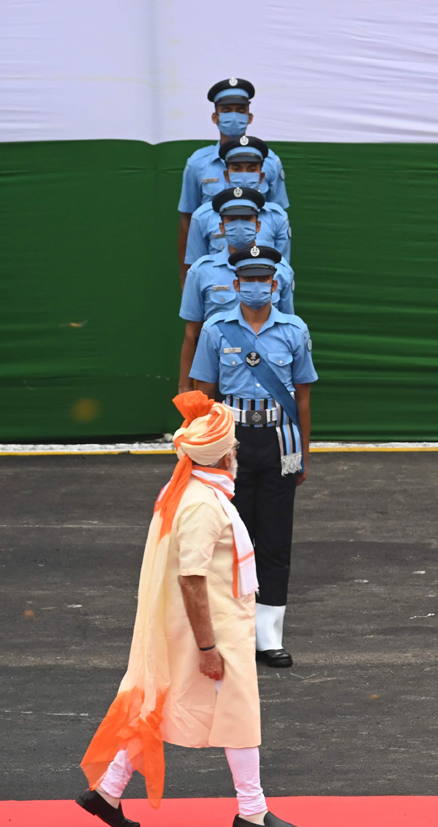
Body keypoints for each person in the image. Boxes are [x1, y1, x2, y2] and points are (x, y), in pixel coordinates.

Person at [78, 393, 306, 827]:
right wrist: (208, 648)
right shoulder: (203, 503)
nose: (238, 453)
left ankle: (107, 791)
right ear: (221, 455)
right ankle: (252, 811)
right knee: (238, 712)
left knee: (162, 702)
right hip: (214, 630)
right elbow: (192, 580)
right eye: (233, 448)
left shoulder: (193, 492)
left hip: (204, 626)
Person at [190, 248, 317, 668]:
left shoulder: (295, 330)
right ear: (238, 285)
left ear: (275, 285)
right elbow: (204, 396)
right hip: (233, 444)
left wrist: (304, 453)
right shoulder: (216, 330)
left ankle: (269, 638)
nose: (259, 287)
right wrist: (205, 454)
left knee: (275, 540)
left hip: (279, 440)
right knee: (230, 541)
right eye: (250, 281)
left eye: (266, 280)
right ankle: (232, 632)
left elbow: (302, 397)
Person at [177, 192, 294, 393]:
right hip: (215, 377)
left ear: (258, 225)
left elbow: (288, 329)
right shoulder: (201, 271)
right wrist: (185, 386)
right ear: (222, 227)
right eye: (232, 219)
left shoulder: (281, 270)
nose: (240, 225)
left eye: (247, 219)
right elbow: (191, 333)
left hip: (269, 376)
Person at [177, 79, 288, 277]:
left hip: (261, 269)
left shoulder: (270, 162)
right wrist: (187, 277)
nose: (234, 116)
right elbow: (187, 221)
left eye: (240, 110)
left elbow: (278, 215)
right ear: (215, 116)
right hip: (215, 271)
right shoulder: (197, 163)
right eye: (227, 110)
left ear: (249, 116)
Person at [184, 136, 291, 274]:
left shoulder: (277, 217)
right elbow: (196, 272)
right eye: (237, 168)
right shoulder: (203, 216)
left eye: (252, 169)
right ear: (226, 175)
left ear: (261, 176)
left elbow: (282, 273)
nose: (244, 175)